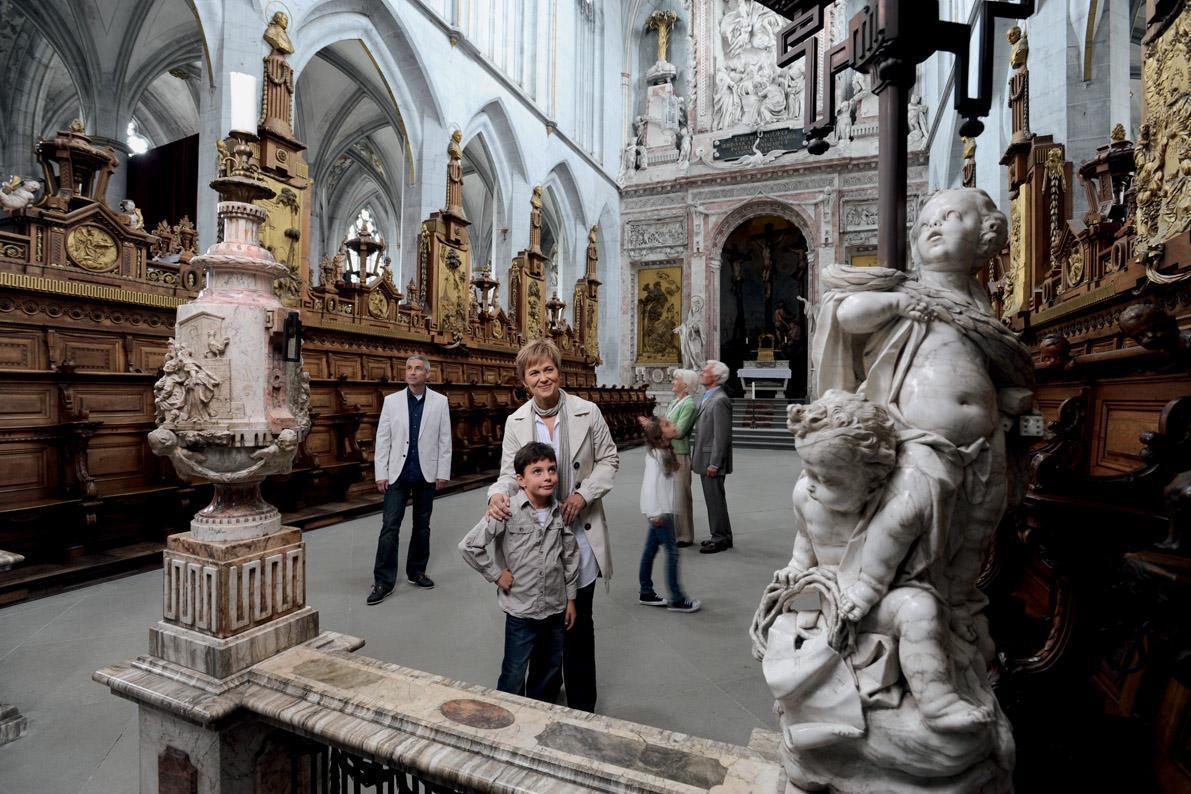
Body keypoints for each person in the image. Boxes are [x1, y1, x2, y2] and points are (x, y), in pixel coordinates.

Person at [773, 390, 991, 734]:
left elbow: (875, 578)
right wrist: (796, 568)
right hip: (828, 599)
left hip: (871, 601)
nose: (811, 485)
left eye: (827, 479)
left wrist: (861, 597)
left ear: (874, 479)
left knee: (919, 609)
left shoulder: (895, 509)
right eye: (807, 470)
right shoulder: (806, 495)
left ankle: (937, 701)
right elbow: (805, 542)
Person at [485, 339, 619, 712]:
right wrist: (497, 495)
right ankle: (543, 702)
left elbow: (609, 460)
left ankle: (581, 706)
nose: (543, 378)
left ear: (559, 372)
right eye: (534, 373)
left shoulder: (587, 412)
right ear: (524, 382)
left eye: (548, 369)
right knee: (542, 622)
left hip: (579, 529)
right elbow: (508, 476)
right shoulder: (516, 421)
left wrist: (584, 494)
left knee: (578, 624)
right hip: (535, 537)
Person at [459, 442, 578, 702]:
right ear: (520, 480)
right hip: (521, 611)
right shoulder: (506, 509)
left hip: (554, 608)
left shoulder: (559, 512)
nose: (547, 476)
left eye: (552, 469)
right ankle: (509, 718)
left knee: (547, 672)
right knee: (513, 673)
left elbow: (569, 556)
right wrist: (496, 575)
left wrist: (570, 599)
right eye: (537, 471)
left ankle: (540, 715)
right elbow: (469, 545)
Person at [368, 355, 452, 604]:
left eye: (417, 369)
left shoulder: (439, 402)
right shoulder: (391, 401)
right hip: (398, 472)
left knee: (422, 525)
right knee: (389, 527)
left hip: (426, 472)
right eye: (409, 368)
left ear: (428, 373)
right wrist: (381, 473)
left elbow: (444, 440)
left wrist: (443, 472)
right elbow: (383, 439)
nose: (412, 372)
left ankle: (417, 571)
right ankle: (383, 581)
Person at [637, 416, 701, 613]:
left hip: (663, 511)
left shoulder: (664, 452)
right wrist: (654, 513)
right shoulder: (655, 456)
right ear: (660, 434)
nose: (673, 426)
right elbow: (649, 487)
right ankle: (677, 599)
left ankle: (646, 591)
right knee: (672, 554)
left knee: (650, 551)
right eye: (667, 425)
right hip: (660, 513)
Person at [694, 360, 734, 553]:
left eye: (705, 371)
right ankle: (723, 535)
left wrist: (715, 463)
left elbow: (722, 435)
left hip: (712, 460)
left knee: (715, 499)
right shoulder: (708, 396)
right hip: (707, 456)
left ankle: (719, 538)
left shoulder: (720, 400)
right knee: (714, 499)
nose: (701, 373)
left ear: (716, 377)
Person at [667, 369, 699, 546]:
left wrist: (660, 429)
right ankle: (673, 532)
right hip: (668, 453)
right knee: (670, 495)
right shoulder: (674, 403)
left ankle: (685, 535)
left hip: (680, 454)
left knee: (681, 496)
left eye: (676, 379)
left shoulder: (689, 405)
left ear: (685, 384)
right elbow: (666, 424)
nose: (672, 381)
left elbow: (679, 431)